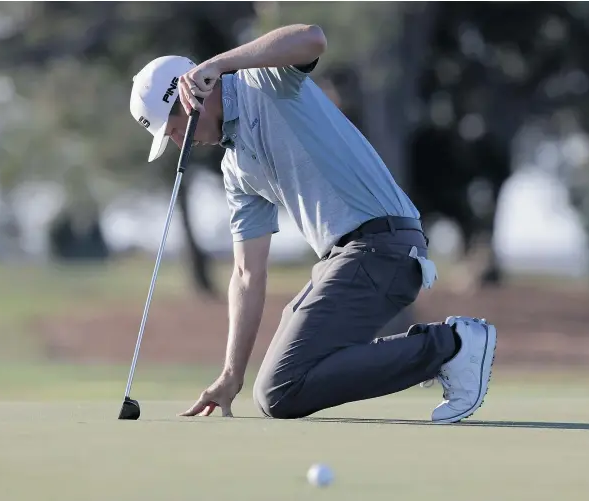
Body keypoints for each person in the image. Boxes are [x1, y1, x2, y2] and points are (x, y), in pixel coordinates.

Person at [129, 24, 497, 423]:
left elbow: (312, 38)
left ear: (191, 99)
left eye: (176, 130)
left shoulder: (264, 81)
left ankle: (452, 346)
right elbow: (246, 274)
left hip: (383, 246)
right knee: (274, 390)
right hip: (347, 260)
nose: (181, 141)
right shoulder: (236, 169)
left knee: (279, 390)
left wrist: (217, 64)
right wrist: (231, 375)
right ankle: (443, 347)